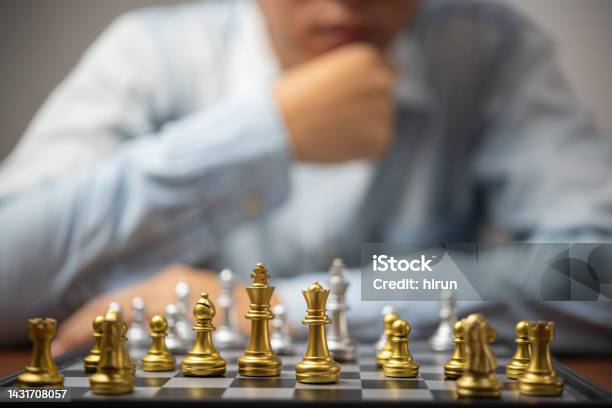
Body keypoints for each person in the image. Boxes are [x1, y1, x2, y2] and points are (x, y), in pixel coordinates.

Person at [1, 0, 611, 354]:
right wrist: (267, 134)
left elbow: (595, 269)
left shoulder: (491, 53)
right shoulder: (149, 55)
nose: (345, 1)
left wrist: (271, 308)